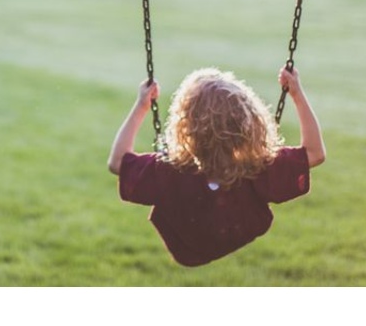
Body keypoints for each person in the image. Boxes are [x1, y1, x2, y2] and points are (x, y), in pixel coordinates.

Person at [107, 66, 325, 267]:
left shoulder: (169, 171)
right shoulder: (257, 168)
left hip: (185, 242)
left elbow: (117, 162)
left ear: (185, 126)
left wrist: (141, 107)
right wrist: (297, 95)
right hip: (241, 230)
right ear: (247, 123)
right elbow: (315, 153)